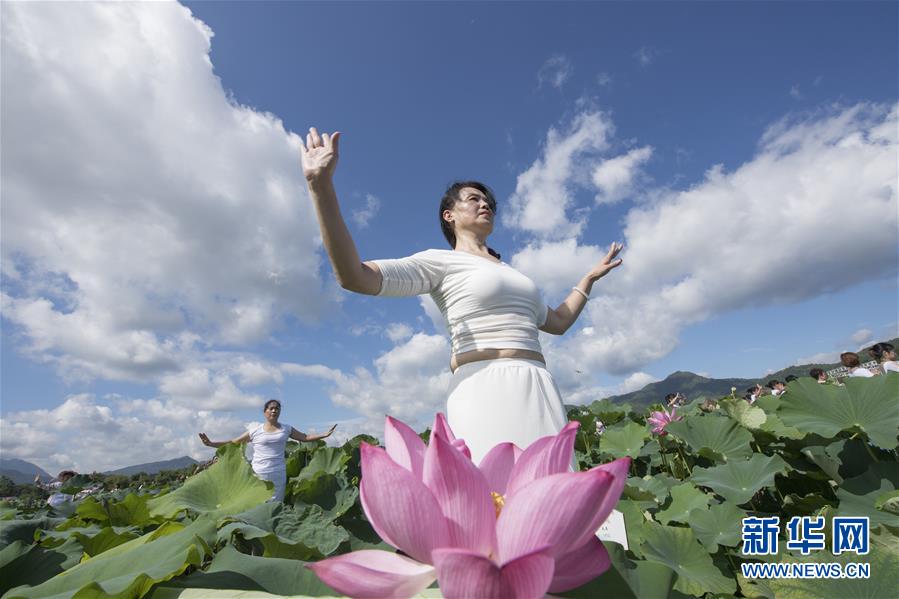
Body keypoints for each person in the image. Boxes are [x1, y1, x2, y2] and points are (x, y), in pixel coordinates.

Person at [301, 128, 623, 463]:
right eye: (473, 199)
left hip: (538, 382)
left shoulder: (515, 274)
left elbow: (557, 323)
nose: (485, 203)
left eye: (488, 201)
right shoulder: (440, 262)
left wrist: (587, 280)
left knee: (557, 498)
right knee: (488, 499)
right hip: (482, 387)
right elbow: (354, 277)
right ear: (449, 215)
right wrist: (319, 186)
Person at [198, 399, 337, 502]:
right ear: (265, 412)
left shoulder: (286, 429)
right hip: (259, 473)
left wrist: (324, 434)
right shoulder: (255, 431)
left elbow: (305, 437)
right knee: (258, 505)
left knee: (276, 506)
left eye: (277, 408)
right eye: (271, 408)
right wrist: (211, 443)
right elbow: (233, 442)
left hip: (278, 473)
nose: (274, 411)